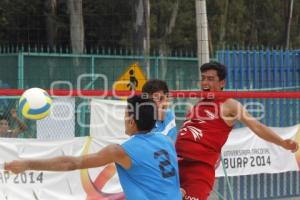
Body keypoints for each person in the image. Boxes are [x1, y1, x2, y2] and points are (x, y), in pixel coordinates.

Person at [5, 95, 182, 200]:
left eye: (125, 114)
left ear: (131, 121)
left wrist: (28, 164)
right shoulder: (166, 140)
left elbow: (71, 163)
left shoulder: (121, 151)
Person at [175, 61, 299, 200]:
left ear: (222, 83)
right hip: (175, 164)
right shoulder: (196, 105)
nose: (204, 83)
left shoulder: (229, 104)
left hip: (199, 169)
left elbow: (257, 127)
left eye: (210, 79)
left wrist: (282, 142)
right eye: (203, 78)